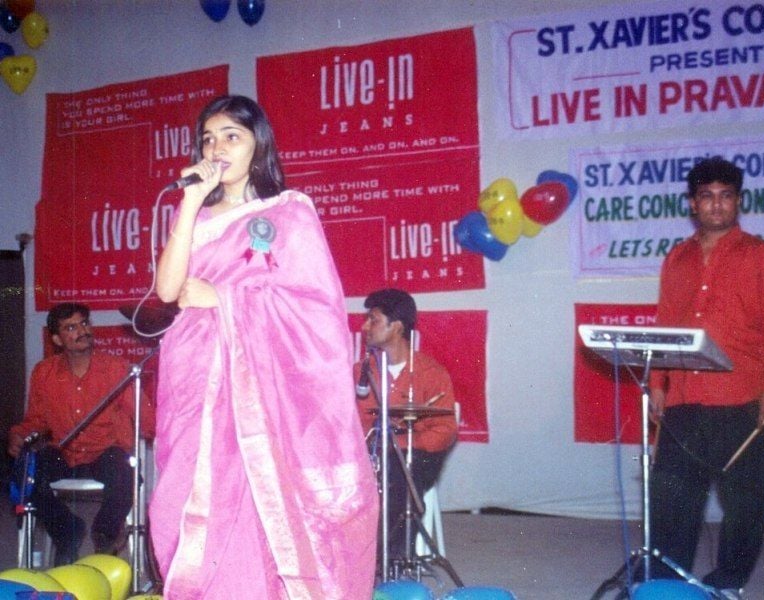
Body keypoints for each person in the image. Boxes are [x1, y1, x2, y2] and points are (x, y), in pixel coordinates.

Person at [149, 95, 378, 599]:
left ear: (259, 144)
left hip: (262, 385)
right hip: (193, 375)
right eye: (208, 138)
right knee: (179, 504)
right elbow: (167, 290)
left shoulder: (290, 214)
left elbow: (317, 307)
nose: (218, 148)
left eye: (232, 136)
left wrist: (224, 298)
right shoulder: (195, 215)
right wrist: (189, 202)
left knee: (260, 504)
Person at [648, 157, 764, 595]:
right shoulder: (677, 258)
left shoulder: (763, 256)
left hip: (742, 397)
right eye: (707, 197)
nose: (716, 206)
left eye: (726, 196)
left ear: (738, 201)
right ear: (692, 204)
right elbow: (666, 326)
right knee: (673, 498)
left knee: (743, 503)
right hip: (685, 398)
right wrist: (657, 385)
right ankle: (670, 583)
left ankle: (729, 582)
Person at [8, 302, 155, 565]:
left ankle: (105, 534)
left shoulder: (116, 368)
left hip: (105, 453)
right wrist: (19, 435)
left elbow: (147, 421)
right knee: (25, 475)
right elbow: (37, 420)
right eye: (71, 327)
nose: (82, 331)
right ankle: (67, 530)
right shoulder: (44, 372)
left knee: (126, 473)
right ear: (57, 339)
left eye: (84, 323)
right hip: (64, 454)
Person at [354, 288, 458, 559]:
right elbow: (346, 422)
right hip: (368, 455)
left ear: (396, 327)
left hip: (415, 456)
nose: (365, 326)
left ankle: (393, 563)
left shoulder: (431, 373)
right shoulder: (359, 373)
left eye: (373, 319)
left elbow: (445, 431)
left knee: (399, 476)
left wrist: (398, 444)